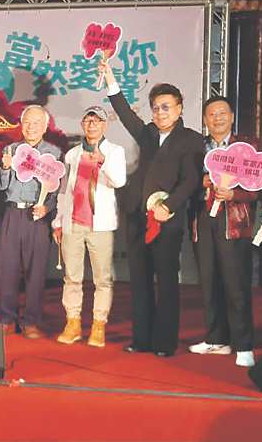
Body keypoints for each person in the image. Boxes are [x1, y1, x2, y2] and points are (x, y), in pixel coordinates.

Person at [104, 60, 205, 357]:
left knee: (167, 282)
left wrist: (168, 206)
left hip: (167, 220)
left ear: (179, 108)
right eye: (156, 108)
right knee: (139, 280)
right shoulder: (147, 133)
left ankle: (164, 342)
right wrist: (110, 80)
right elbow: (125, 115)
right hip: (137, 216)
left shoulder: (191, 139)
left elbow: (191, 180)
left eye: (166, 107)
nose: (160, 113)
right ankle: (141, 339)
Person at [189, 97, 258, 367]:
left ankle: (244, 345)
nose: (217, 118)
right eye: (211, 114)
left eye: (222, 113)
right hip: (203, 220)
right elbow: (184, 183)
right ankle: (216, 338)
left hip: (234, 222)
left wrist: (234, 194)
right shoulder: (198, 148)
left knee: (235, 284)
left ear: (231, 117)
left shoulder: (247, 148)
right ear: (205, 119)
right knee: (209, 282)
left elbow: (259, 188)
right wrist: (201, 182)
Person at [52, 106, 127, 347]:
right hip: (73, 221)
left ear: (105, 125)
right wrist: (58, 220)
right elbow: (64, 189)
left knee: (102, 278)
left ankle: (98, 325)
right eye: (88, 120)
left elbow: (119, 181)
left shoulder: (114, 151)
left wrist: (102, 162)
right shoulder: (72, 154)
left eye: (97, 121)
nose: (92, 124)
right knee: (71, 277)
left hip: (100, 224)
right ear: (83, 124)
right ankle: (73, 323)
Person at [0, 105, 61, 338]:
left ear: (45, 127)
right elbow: (2, 187)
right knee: (7, 269)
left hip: (38, 217)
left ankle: (31, 321)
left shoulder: (53, 153)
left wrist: (47, 208)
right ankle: (6, 318)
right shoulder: (11, 150)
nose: (31, 127)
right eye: (27, 123)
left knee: (36, 272)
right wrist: (5, 168)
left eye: (36, 123)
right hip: (13, 214)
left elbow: (57, 190)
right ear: (21, 125)